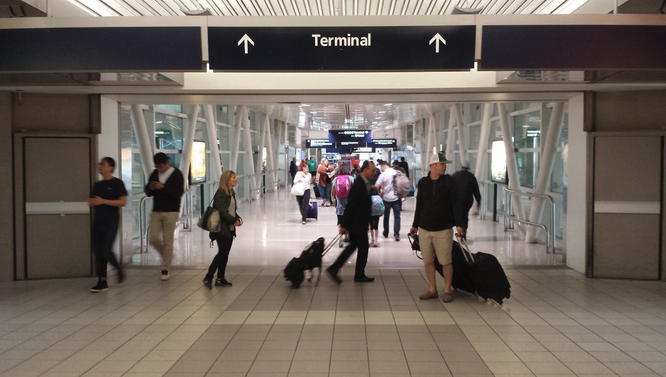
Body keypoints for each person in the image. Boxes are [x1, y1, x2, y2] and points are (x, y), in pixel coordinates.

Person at [409, 152, 464, 303]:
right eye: (442, 164)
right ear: (433, 166)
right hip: (425, 228)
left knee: (446, 260)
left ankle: (447, 290)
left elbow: (456, 203)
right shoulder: (423, 183)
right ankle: (432, 289)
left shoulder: (450, 182)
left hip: (443, 228)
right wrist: (415, 225)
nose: (445, 166)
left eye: (445, 164)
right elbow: (419, 204)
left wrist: (459, 224)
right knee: (428, 260)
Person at [326, 160, 376, 284]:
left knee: (352, 247)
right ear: (365, 170)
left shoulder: (363, 183)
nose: (374, 173)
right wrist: (344, 224)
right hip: (357, 223)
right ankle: (358, 274)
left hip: (358, 222)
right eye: (372, 170)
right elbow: (350, 205)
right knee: (362, 248)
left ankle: (335, 268)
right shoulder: (359, 184)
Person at [89, 157, 127, 293]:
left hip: (111, 221)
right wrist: (93, 202)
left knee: (106, 249)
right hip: (98, 221)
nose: (100, 166)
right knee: (98, 251)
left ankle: (117, 267)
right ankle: (102, 280)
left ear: (111, 167)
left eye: (103, 164)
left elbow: (122, 202)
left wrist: (104, 201)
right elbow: (92, 201)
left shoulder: (117, 183)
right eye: (100, 164)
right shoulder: (97, 185)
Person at [145, 152, 184, 281]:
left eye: (160, 166)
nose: (159, 169)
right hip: (157, 210)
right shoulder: (154, 174)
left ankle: (165, 267)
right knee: (153, 238)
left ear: (166, 163)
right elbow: (149, 192)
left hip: (171, 211)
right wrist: (150, 188)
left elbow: (178, 193)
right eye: (157, 167)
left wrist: (163, 187)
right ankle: (167, 256)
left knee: (168, 240)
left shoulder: (177, 174)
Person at [203, 170, 243, 289]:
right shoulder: (221, 193)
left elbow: (230, 211)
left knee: (225, 254)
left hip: (229, 228)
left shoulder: (231, 193)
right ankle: (209, 276)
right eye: (233, 178)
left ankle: (220, 278)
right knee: (222, 253)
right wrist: (233, 221)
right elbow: (222, 211)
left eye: (235, 177)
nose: (236, 179)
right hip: (221, 228)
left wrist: (237, 218)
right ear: (226, 180)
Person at [451, 160, 482, 238]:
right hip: (467, 201)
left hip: (456, 200)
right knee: (465, 216)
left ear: (461, 166)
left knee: (458, 215)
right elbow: (476, 191)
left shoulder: (455, 175)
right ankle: (463, 232)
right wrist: (478, 201)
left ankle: (459, 230)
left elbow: (449, 188)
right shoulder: (472, 177)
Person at [375, 160, 402, 241]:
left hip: (386, 199)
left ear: (383, 166)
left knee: (386, 216)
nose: (381, 169)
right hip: (397, 198)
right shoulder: (397, 172)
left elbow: (376, 186)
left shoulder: (383, 174)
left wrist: (378, 194)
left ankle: (386, 232)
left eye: (381, 168)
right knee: (397, 216)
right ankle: (396, 234)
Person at [331, 164, 354, 243]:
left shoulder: (336, 179)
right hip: (349, 203)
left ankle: (340, 236)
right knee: (348, 220)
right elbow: (355, 190)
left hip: (339, 202)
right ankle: (346, 237)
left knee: (340, 220)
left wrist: (332, 198)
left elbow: (333, 191)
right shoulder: (351, 178)